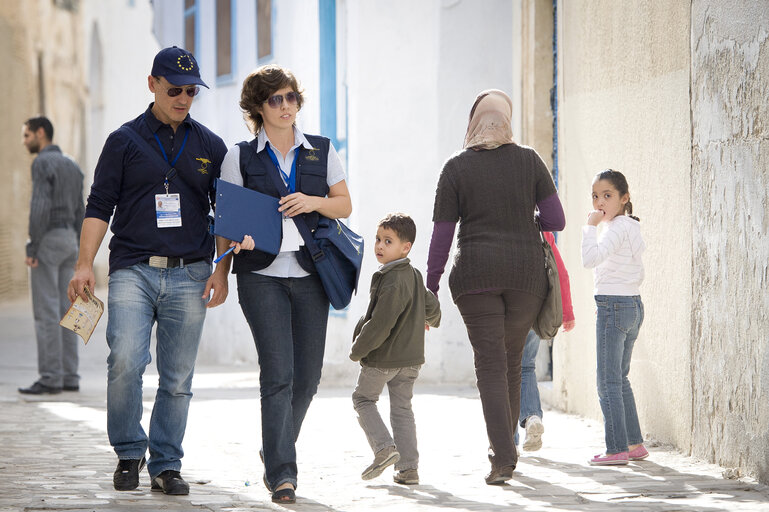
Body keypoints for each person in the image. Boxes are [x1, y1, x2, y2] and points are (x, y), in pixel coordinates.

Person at [67, 46, 229, 495]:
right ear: (152, 83)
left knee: (177, 377)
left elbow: (226, 213)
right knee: (125, 362)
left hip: (191, 272)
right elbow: (99, 206)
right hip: (133, 270)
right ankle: (127, 453)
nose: (183, 98)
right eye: (174, 89)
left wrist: (220, 269)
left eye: (191, 91)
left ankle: (166, 464)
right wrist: (84, 264)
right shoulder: (123, 141)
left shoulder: (210, 146)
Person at [218, 64, 352, 504]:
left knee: (308, 378)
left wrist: (312, 201)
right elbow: (227, 220)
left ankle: (275, 445)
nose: (286, 106)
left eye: (292, 97)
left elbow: (344, 204)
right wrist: (225, 262)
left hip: (312, 274)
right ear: (259, 106)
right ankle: (282, 473)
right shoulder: (239, 156)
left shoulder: (320, 150)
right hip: (261, 277)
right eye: (276, 99)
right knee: (278, 375)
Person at [426, 89, 565, 485]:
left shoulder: (455, 168)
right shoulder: (529, 160)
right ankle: (506, 448)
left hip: (475, 275)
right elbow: (556, 219)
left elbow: (441, 236)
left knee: (489, 362)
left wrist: (431, 286)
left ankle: (503, 455)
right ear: (506, 120)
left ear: (473, 122)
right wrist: (524, 215)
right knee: (511, 359)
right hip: (525, 276)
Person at [350, 213, 441, 486]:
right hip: (411, 359)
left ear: (406, 247)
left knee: (363, 400)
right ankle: (408, 469)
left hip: (383, 358)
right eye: (378, 239)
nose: (379, 245)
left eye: (388, 241)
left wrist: (357, 350)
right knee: (402, 409)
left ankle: (384, 449)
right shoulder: (413, 275)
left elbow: (380, 325)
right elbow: (433, 308)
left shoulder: (390, 279)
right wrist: (429, 320)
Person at [581, 169, 648, 466]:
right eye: (595, 196)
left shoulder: (615, 228)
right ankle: (634, 444)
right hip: (632, 304)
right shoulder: (631, 226)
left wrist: (589, 227)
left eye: (607, 196)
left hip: (615, 305)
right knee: (620, 379)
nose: (599, 202)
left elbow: (589, 259)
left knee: (607, 381)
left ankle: (616, 448)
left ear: (624, 198)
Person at [19, 116, 84, 395]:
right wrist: (83, 250)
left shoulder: (42, 162)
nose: (24, 142)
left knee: (45, 311)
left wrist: (32, 246)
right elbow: (82, 209)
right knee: (68, 309)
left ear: (40, 133)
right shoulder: (72, 164)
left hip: (48, 240)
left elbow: (39, 206)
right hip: (70, 239)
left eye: (26, 136)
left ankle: (50, 378)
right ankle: (70, 376)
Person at [515, 232, 575, 452]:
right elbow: (561, 273)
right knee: (526, 366)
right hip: (533, 308)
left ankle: (508, 439)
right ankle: (531, 417)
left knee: (502, 369)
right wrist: (566, 312)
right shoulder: (542, 230)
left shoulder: (500, 224)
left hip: (506, 308)